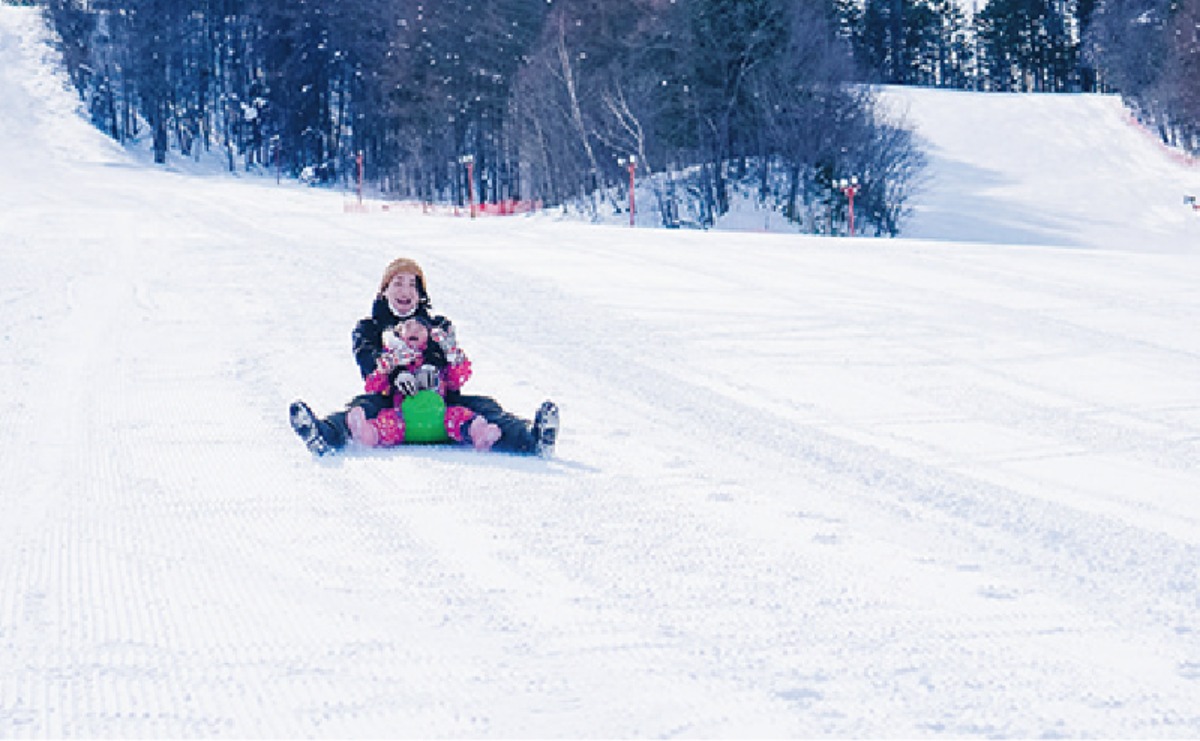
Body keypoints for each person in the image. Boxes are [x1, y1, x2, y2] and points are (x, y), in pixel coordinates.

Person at [289, 257, 558, 457]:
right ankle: (323, 435)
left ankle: (531, 439)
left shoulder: (438, 324)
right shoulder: (368, 327)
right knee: (359, 408)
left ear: (420, 294)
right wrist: (396, 373)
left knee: (486, 406)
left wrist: (431, 365)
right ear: (384, 291)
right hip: (389, 402)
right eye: (398, 283)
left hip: (438, 400)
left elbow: (451, 362)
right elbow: (367, 359)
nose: (405, 290)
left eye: (412, 284)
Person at [345, 314, 504, 451]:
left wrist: (454, 358)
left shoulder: (437, 357)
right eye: (408, 326)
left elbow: (456, 380)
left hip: (441, 415)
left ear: (428, 334)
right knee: (386, 424)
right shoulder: (393, 358)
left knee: (462, 417)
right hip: (404, 417)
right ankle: (366, 434)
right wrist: (383, 370)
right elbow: (375, 386)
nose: (414, 330)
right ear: (399, 334)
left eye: (420, 328)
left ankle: (481, 433)